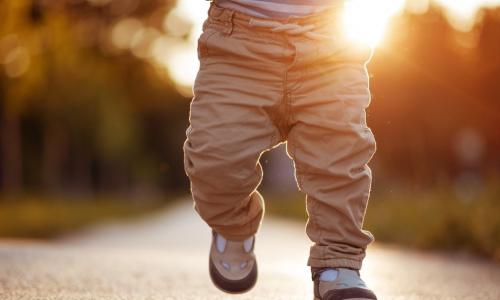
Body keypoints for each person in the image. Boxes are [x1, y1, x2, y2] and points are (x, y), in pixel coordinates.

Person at [183, 0, 377, 299]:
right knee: (215, 158)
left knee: (339, 160)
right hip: (237, 44)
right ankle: (234, 224)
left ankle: (337, 262)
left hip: (331, 42)